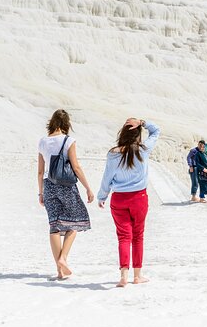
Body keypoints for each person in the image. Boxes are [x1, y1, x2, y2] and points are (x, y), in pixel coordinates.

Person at [97, 118, 160, 288]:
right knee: (138, 236)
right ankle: (137, 276)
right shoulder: (143, 150)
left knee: (124, 236)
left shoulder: (113, 153)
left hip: (119, 199)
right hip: (139, 198)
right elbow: (156, 131)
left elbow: (107, 177)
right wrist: (142, 122)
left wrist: (102, 196)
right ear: (137, 134)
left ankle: (124, 275)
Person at [37, 109, 94, 280]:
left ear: (52, 122)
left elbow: (40, 172)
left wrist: (40, 193)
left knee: (54, 226)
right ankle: (63, 258)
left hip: (48, 185)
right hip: (67, 186)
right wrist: (88, 188)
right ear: (66, 124)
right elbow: (75, 167)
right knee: (75, 221)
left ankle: (59, 271)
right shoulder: (69, 141)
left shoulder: (42, 142)